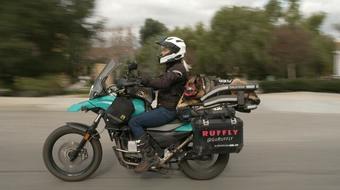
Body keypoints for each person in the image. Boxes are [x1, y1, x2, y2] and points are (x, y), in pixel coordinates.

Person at [128, 36, 191, 172]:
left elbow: (163, 83)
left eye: (165, 49)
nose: (162, 52)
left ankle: (149, 157)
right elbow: (159, 81)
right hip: (165, 106)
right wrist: (138, 79)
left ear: (174, 52)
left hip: (168, 110)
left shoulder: (178, 69)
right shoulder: (173, 67)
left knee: (134, 122)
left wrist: (144, 80)